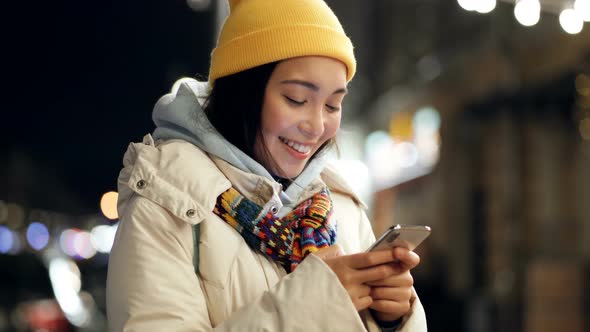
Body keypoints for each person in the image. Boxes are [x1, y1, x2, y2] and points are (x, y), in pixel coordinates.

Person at [106, 0, 428, 331]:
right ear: (243, 94)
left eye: (333, 104)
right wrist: (313, 303)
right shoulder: (167, 201)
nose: (317, 126)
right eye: (296, 100)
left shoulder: (343, 208)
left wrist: (393, 318)